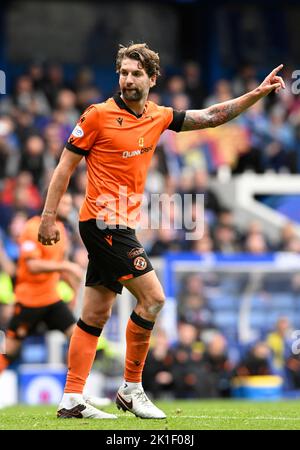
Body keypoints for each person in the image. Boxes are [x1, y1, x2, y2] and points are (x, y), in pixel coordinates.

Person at [37, 42, 285, 420]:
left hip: (120, 225)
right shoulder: (97, 116)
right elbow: (63, 167)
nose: (128, 79)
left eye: (137, 73)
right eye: (124, 72)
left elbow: (212, 116)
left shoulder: (158, 116)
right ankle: (132, 389)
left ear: (152, 79)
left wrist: (255, 94)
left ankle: (72, 397)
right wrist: (48, 216)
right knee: (153, 299)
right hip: (103, 223)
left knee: (95, 314)